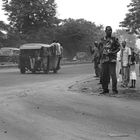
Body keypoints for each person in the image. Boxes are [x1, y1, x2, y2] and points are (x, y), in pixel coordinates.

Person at [99, 26, 120, 94]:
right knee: (104, 75)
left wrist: (113, 52)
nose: (109, 31)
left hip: (112, 59)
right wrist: (100, 58)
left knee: (113, 75)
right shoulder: (102, 39)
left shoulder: (114, 39)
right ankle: (105, 89)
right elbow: (101, 49)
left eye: (110, 30)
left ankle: (114, 90)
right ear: (105, 31)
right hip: (104, 59)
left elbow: (119, 48)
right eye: (108, 30)